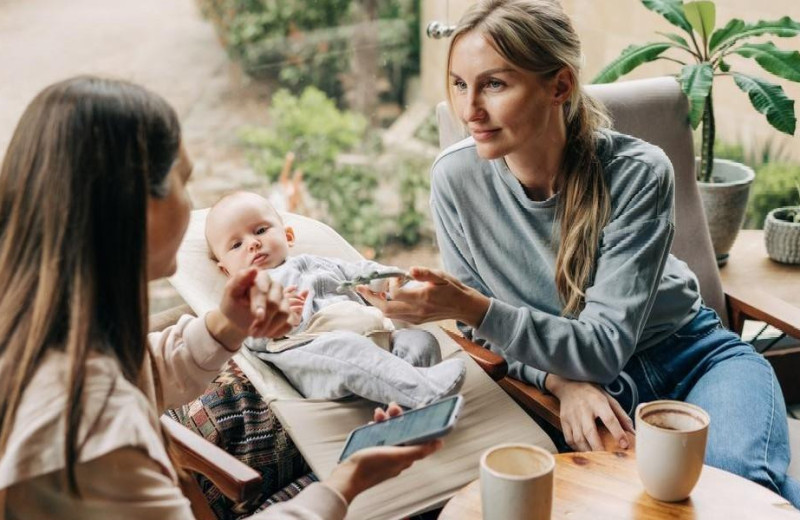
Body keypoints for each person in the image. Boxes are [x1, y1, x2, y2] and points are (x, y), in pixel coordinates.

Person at [358, 0, 800, 507]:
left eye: (494, 84)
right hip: (600, 391)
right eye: (460, 84)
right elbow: (483, 333)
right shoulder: (455, 179)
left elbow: (599, 343)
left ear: (559, 86)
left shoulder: (639, 173)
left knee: (735, 492)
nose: (469, 110)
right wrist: (559, 382)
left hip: (698, 359)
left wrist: (469, 307)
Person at [0, 76, 440, 520]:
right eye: (183, 183)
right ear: (134, 206)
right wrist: (345, 486)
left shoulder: (51, 331)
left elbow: (142, 368)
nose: (193, 208)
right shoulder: (86, 432)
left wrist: (225, 324)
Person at [205, 191, 466, 408]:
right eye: (236, 245)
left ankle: (402, 406)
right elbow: (249, 338)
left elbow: (360, 272)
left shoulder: (319, 262)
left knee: (420, 339)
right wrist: (274, 318)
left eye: (260, 230)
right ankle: (424, 391)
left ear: (288, 236)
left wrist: (387, 280)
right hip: (319, 355)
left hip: (377, 339)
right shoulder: (248, 293)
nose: (252, 244)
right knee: (346, 346)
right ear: (226, 270)